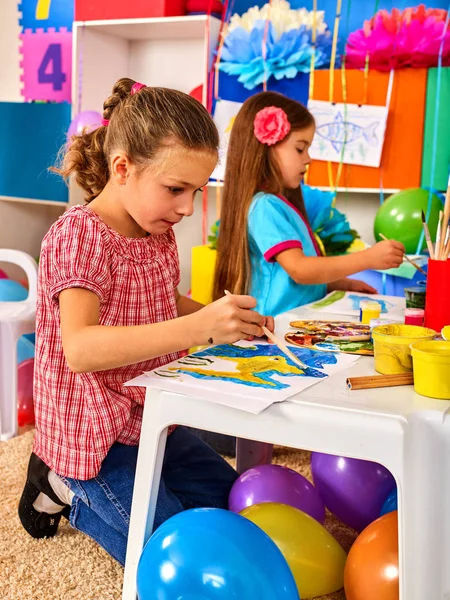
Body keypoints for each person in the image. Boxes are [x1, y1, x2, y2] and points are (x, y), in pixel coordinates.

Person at [18, 79, 274, 565]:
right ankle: (59, 482)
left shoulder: (156, 231)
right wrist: (200, 330)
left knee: (233, 509)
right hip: (92, 436)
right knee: (171, 551)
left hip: (150, 420)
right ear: (122, 168)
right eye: (176, 189)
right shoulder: (79, 236)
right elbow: (81, 348)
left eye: (197, 191)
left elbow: (162, 300)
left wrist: (226, 319)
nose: (187, 208)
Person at [213, 92, 405, 316]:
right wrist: (368, 258)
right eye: (300, 148)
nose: (308, 158)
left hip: (291, 322)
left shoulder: (277, 203)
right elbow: (300, 270)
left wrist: (338, 283)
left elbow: (286, 279)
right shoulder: (264, 206)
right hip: (275, 327)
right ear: (266, 147)